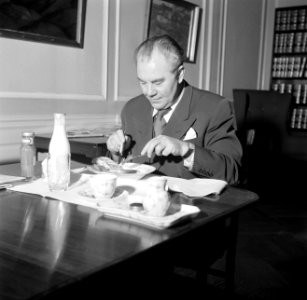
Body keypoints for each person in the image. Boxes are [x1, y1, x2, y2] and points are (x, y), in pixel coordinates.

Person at [107, 34, 242, 185]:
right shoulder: (132, 109)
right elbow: (125, 166)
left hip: (192, 205)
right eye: (143, 82)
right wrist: (115, 153)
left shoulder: (215, 108)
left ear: (180, 74)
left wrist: (186, 149)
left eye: (157, 82)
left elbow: (232, 172)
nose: (149, 92)